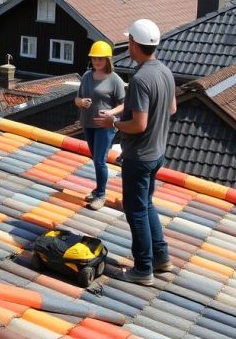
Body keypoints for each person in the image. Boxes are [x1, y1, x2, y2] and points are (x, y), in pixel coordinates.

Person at [95, 19, 176, 286]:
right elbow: (172, 109)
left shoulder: (141, 79)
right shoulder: (164, 71)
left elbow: (139, 124)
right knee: (146, 204)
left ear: (133, 44)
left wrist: (113, 123)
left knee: (136, 210)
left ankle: (143, 269)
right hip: (157, 153)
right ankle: (161, 257)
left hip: (139, 156)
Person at [75, 41, 124, 211]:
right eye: (94, 59)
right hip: (88, 123)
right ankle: (98, 189)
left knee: (99, 160)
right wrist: (81, 102)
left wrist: (111, 113)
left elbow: (123, 104)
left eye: (100, 59)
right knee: (96, 160)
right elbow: (77, 99)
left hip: (105, 126)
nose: (97, 62)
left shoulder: (114, 79)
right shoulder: (87, 76)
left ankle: (101, 195)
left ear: (108, 60)